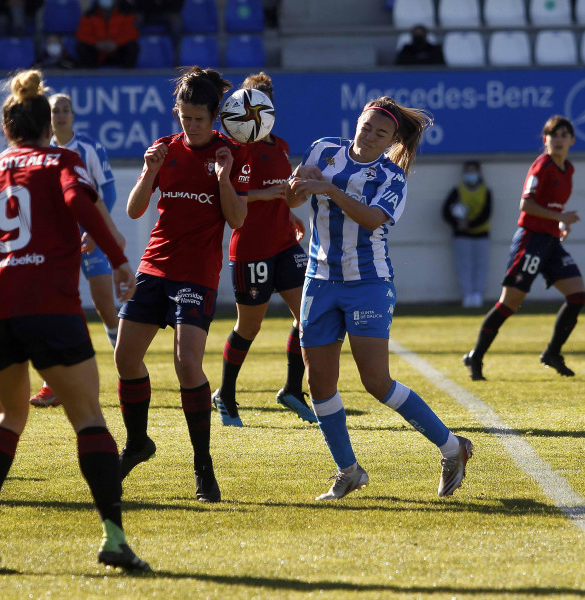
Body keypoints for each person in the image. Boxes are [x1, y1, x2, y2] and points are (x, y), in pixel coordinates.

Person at [0, 69, 148, 571]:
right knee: (88, 418)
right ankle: (114, 540)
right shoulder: (61, 159)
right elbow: (81, 200)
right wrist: (120, 258)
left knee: (9, 415)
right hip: (48, 305)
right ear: (42, 126)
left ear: (7, 128)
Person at [286, 96, 473, 501]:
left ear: (392, 140)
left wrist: (328, 188)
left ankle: (453, 447)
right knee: (319, 382)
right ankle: (348, 470)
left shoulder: (392, 176)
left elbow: (372, 220)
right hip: (318, 279)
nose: (370, 135)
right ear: (356, 122)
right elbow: (295, 198)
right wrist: (296, 187)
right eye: (366, 126)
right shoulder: (323, 149)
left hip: (367, 282)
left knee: (376, 381)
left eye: (381, 133)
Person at [114, 66, 248, 503]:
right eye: (183, 117)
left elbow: (238, 219)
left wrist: (223, 179)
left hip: (197, 273)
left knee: (187, 364)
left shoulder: (230, 153)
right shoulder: (164, 150)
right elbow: (135, 211)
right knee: (124, 356)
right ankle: (138, 442)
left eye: (198, 119)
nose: (189, 126)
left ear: (214, 117)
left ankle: (203, 468)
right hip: (154, 266)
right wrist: (148, 173)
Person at [211, 72, 315, 427]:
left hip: (285, 242)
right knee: (249, 327)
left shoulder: (280, 146)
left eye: (264, 103)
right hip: (252, 248)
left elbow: (281, 190)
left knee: (309, 317)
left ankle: (291, 389)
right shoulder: (236, 149)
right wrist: (266, 195)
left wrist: (290, 213)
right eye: (250, 101)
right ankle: (224, 394)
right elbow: (229, 200)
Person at [463, 116, 585, 381]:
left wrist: (561, 223)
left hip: (551, 242)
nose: (559, 139)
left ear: (572, 141)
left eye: (564, 134)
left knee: (578, 296)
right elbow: (526, 205)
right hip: (531, 240)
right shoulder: (541, 165)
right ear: (545, 140)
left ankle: (552, 353)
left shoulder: (569, 169)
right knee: (509, 304)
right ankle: (477, 356)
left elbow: (552, 207)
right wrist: (561, 218)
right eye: (553, 134)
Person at [26, 92, 123, 407]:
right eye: (56, 110)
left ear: (74, 115)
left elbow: (107, 190)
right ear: (48, 116)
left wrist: (96, 230)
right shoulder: (42, 151)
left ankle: (127, 364)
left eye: (67, 109)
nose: (62, 115)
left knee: (105, 305)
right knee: (54, 308)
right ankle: (52, 383)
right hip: (58, 240)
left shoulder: (89, 147)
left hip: (89, 237)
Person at [442, 160, 491, 308]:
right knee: (464, 267)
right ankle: (467, 296)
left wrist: (469, 225)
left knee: (481, 267)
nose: (471, 174)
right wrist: (457, 224)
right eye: (468, 171)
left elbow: (486, 214)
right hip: (461, 237)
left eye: (473, 171)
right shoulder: (457, 190)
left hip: (481, 235)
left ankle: (478, 296)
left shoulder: (485, 191)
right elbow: (445, 212)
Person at [75, 0, 140, 69]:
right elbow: (82, 34)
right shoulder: (89, 15)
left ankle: (128, 74)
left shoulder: (126, 13)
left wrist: (116, 43)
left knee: (132, 46)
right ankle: (88, 74)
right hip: (98, 53)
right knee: (82, 46)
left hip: (118, 51)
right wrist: (97, 43)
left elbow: (132, 33)